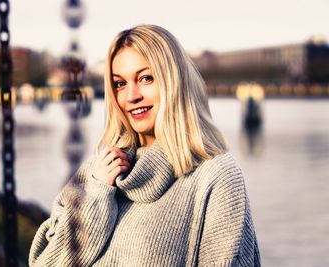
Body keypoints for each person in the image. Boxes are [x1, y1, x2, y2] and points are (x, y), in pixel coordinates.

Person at [29, 24, 260, 267]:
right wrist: (96, 197)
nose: (131, 96)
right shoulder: (98, 172)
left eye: (146, 78)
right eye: (120, 84)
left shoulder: (216, 176)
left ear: (174, 82)